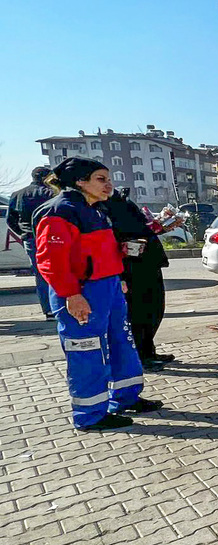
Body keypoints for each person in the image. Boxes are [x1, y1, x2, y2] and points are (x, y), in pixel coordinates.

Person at [33, 158, 162, 431]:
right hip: (82, 290)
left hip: (109, 287)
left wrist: (118, 272)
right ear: (80, 181)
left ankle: (126, 397)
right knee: (87, 350)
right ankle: (90, 414)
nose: (109, 184)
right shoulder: (60, 212)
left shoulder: (96, 209)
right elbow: (50, 262)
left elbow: (98, 250)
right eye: (101, 179)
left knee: (122, 342)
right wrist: (72, 295)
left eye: (108, 178)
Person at [101, 187, 173, 368]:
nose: (108, 184)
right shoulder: (104, 208)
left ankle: (148, 351)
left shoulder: (121, 202)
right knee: (140, 312)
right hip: (133, 267)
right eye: (102, 179)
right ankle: (141, 356)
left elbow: (139, 226)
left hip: (148, 262)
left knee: (154, 309)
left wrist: (157, 226)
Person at [6, 166, 56, 319]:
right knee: (59, 271)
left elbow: (10, 219)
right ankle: (59, 305)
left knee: (41, 274)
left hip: (31, 239)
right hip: (51, 237)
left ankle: (48, 310)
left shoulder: (17, 194)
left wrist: (23, 234)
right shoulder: (52, 193)